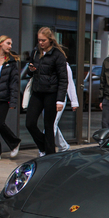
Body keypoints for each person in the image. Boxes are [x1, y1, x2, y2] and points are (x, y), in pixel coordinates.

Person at [26, 27, 68, 157]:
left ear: (50, 40)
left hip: (51, 93)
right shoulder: (35, 52)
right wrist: (31, 69)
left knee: (49, 126)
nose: (41, 43)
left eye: (43, 40)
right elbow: (29, 72)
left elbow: (63, 79)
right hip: (37, 92)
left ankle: (50, 155)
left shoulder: (57, 55)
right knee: (30, 123)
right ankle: (45, 146)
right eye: (39, 40)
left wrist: (60, 100)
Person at [53, 59, 78, 152]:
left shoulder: (65, 67)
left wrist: (74, 101)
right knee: (52, 124)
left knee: (52, 124)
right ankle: (63, 146)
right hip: (47, 97)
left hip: (60, 98)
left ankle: (44, 149)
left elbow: (70, 84)